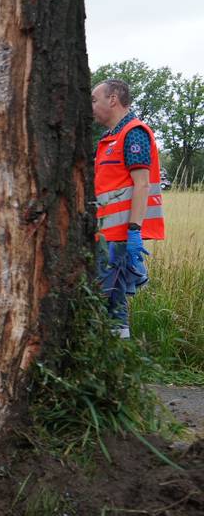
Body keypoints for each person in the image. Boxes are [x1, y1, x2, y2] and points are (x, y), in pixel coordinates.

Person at [90, 78, 167, 338]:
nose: (92, 106)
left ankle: (115, 362)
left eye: (94, 100)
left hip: (121, 237)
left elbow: (142, 184)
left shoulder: (133, 133)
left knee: (110, 301)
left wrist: (134, 232)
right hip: (106, 237)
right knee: (108, 300)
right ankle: (113, 363)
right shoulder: (109, 138)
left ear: (112, 99)